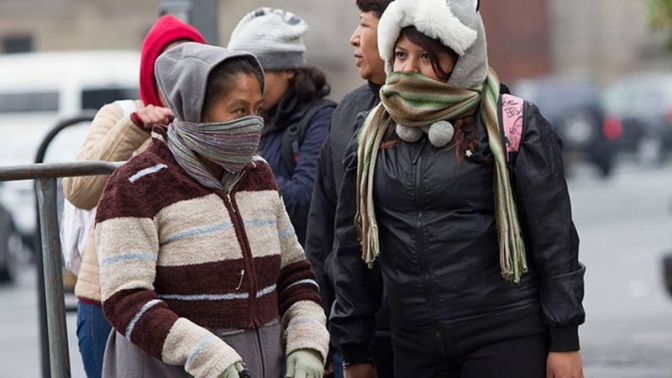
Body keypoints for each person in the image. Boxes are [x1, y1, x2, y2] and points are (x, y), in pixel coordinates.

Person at [329, 1, 586, 377]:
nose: (408, 69)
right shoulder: (370, 136)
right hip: (415, 346)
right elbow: (351, 251)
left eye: (426, 57)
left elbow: (555, 241)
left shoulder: (512, 125)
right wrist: (354, 349)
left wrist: (565, 340)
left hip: (505, 337)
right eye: (400, 54)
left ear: (461, 62)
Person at [95, 42, 329, 378]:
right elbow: (125, 299)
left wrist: (306, 341)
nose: (252, 124)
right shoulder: (136, 185)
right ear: (195, 111)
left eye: (257, 110)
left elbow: (294, 273)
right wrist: (205, 355)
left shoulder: (259, 175)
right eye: (238, 111)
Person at [61, 15, 205, 378]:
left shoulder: (211, 125)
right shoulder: (120, 114)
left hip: (186, 300)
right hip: (108, 299)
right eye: (166, 67)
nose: (176, 78)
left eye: (188, 65)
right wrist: (136, 126)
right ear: (149, 71)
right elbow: (79, 191)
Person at [303, 1, 395, 377]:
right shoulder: (347, 114)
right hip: (355, 331)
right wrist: (317, 330)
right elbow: (322, 231)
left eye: (365, 26)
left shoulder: (449, 118)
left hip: (423, 333)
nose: (354, 39)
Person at [227, 8, 335, 247]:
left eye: (257, 74)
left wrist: (242, 158)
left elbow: (306, 202)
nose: (246, 87)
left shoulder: (321, 120)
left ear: (288, 69)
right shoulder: (251, 117)